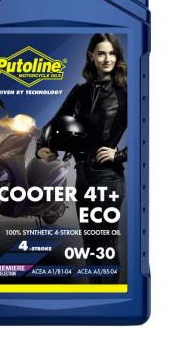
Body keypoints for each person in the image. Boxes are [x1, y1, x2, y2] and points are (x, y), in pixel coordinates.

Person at [37, 33, 127, 283]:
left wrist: (120, 154)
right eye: (101, 53)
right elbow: (52, 124)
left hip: (108, 177)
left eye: (112, 53)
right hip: (83, 177)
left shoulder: (126, 92)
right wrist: (42, 147)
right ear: (91, 56)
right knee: (90, 247)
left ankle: (111, 301)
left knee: (106, 246)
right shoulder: (80, 92)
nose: (107, 59)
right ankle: (97, 298)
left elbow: (151, 132)